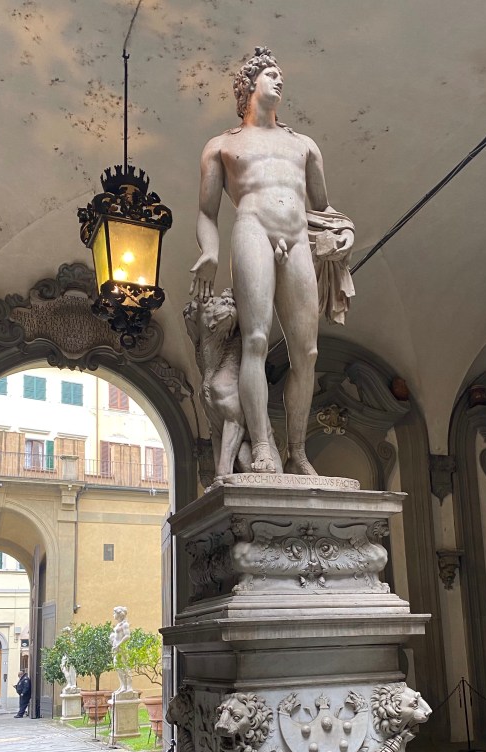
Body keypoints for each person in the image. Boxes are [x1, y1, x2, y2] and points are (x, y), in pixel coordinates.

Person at [190, 46, 354, 476]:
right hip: (252, 229)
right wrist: (210, 252)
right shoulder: (222, 146)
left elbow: (324, 209)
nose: (280, 80)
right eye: (271, 74)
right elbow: (207, 212)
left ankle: (297, 452)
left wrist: (345, 233)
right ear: (249, 85)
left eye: (281, 75)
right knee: (256, 340)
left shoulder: (304, 145)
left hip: (297, 237)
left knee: (307, 352)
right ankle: (263, 446)